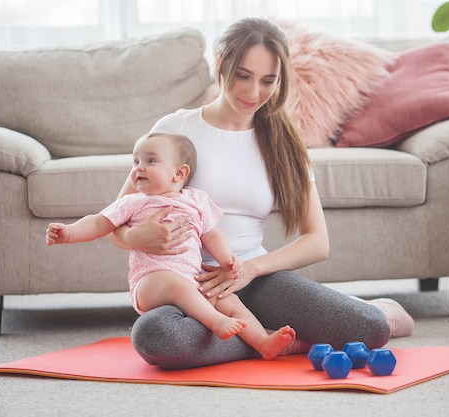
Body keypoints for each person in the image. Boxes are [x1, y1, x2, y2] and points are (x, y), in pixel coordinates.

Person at [110, 17, 414, 370]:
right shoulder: (174, 129)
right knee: (156, 335)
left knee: (370, 327)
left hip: (255, 280)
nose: (253, 93)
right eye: (243, 75)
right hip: (186, 285)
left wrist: (250, 270)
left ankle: (291, 329)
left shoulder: (283, 143)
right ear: (221, 61)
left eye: (268, 81)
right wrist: (135, 236)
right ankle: (273, 339)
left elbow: (317, 241)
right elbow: (115, 220)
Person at [46, 132, 297, 360]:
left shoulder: (196, 200)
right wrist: (69, 233)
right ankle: (216, 323)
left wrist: (227, 260)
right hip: (150, 282)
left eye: (150, 161)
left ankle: (262, 342)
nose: (139, 168)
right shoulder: (135, 202)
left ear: (179, 173)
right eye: (136, 162)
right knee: (176, 285)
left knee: (228, 299)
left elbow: (213, 235)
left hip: (192, 280)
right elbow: (100, 222)